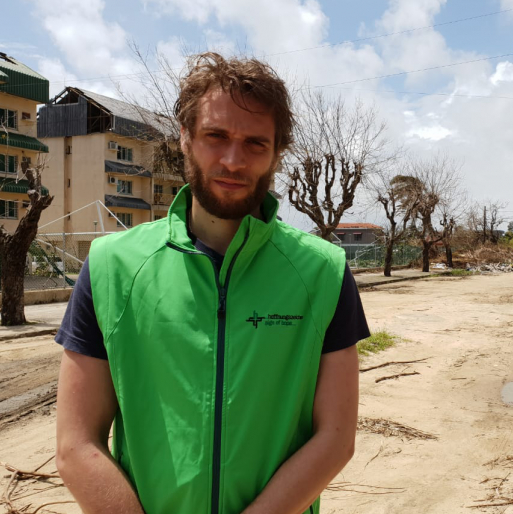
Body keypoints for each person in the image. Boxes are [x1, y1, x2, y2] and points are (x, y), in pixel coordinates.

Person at [54, 53, 368, 514]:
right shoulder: (110, 267)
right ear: (184, 138)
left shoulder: (323, 271)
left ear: (277, 152)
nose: (233, 160)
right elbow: (76, 444)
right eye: (215, 136)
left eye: (255, 144)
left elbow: (335, 438)